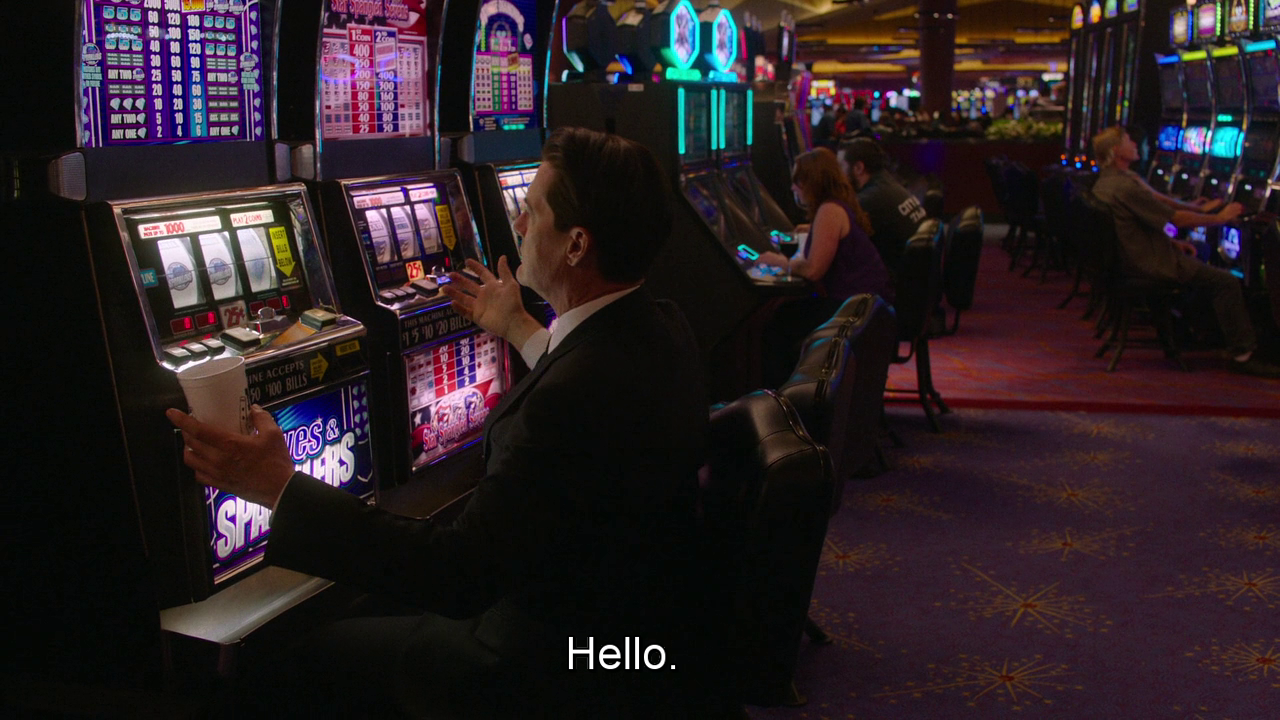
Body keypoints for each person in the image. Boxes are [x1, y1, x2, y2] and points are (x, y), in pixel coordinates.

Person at [167, 127, 714, 717]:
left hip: (549, 662)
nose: (518, 224)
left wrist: (280, 487)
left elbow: (457, 573)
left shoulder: (569, 402)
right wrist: (519, 328)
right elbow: (589, 380)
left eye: (531, 211)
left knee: (297, 659)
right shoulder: (663, 326)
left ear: (577, 245)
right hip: (637, 633)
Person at [1090, 125, 1280, 378]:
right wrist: (1220, 218)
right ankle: (1242, 354)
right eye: (1128, 140)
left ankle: (1193, 328)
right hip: (1148, 263)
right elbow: (1176, 219)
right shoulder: (1125, 187)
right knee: (1226, 281)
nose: (1135, 143)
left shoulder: (1106, 182)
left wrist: (1172, 242)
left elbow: (1136, 227)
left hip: (1131, 259)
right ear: (1116, 151)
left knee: (1200, 252)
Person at [758, 147, 893, 386]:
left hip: (853, 310)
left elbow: (813, 270)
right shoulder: (836, 205)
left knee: (777, 324)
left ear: (813, 182)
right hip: (865, 305)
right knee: (784, 314)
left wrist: (779, 262)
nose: (793, 188)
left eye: (798, 181)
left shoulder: (829, 210)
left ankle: (783, 399)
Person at [838, 137, 927, 278]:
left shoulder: (870, 200)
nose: (839, 174)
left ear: (859, 168)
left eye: (841, 166)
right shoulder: (887, 183)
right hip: (916, 274)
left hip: (896, 281)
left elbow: (836, 241)